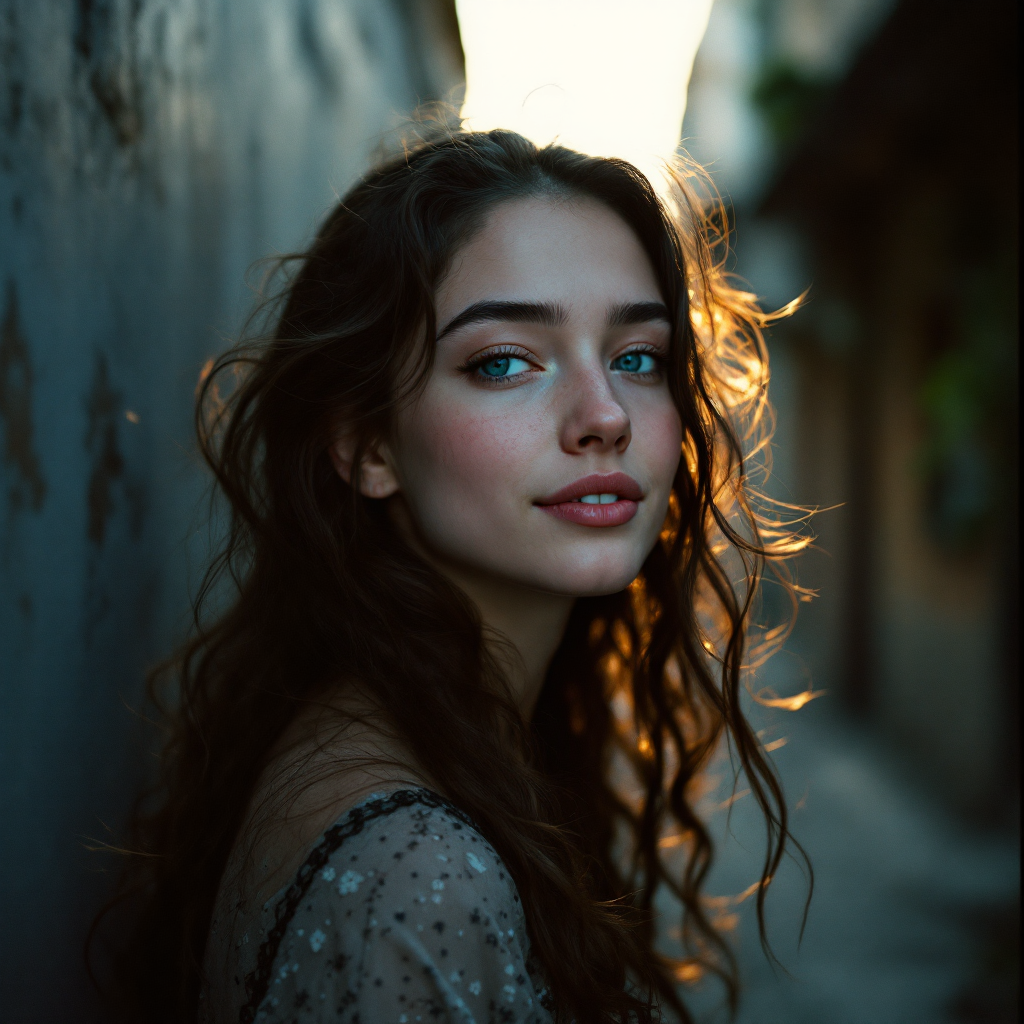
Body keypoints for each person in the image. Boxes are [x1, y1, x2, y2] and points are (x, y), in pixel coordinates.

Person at [101, 128, 806, 1023]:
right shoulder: (416, 877)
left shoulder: (432, 737)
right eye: (503, 361)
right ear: (365, 444)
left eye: (639, 357)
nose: (604, 416)